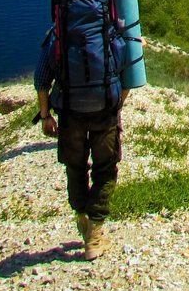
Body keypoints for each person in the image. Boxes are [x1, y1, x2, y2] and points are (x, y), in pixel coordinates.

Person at [34, 15, 135, 261]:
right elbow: (129, 78)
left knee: (75, 166)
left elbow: (41, 80)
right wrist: (116, 106)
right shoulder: (111, 32)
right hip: (105, 114)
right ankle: (95, 234)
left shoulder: (59, 33)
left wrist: (46, 115)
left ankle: (82, 217)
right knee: (105, 169)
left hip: (70, 114)